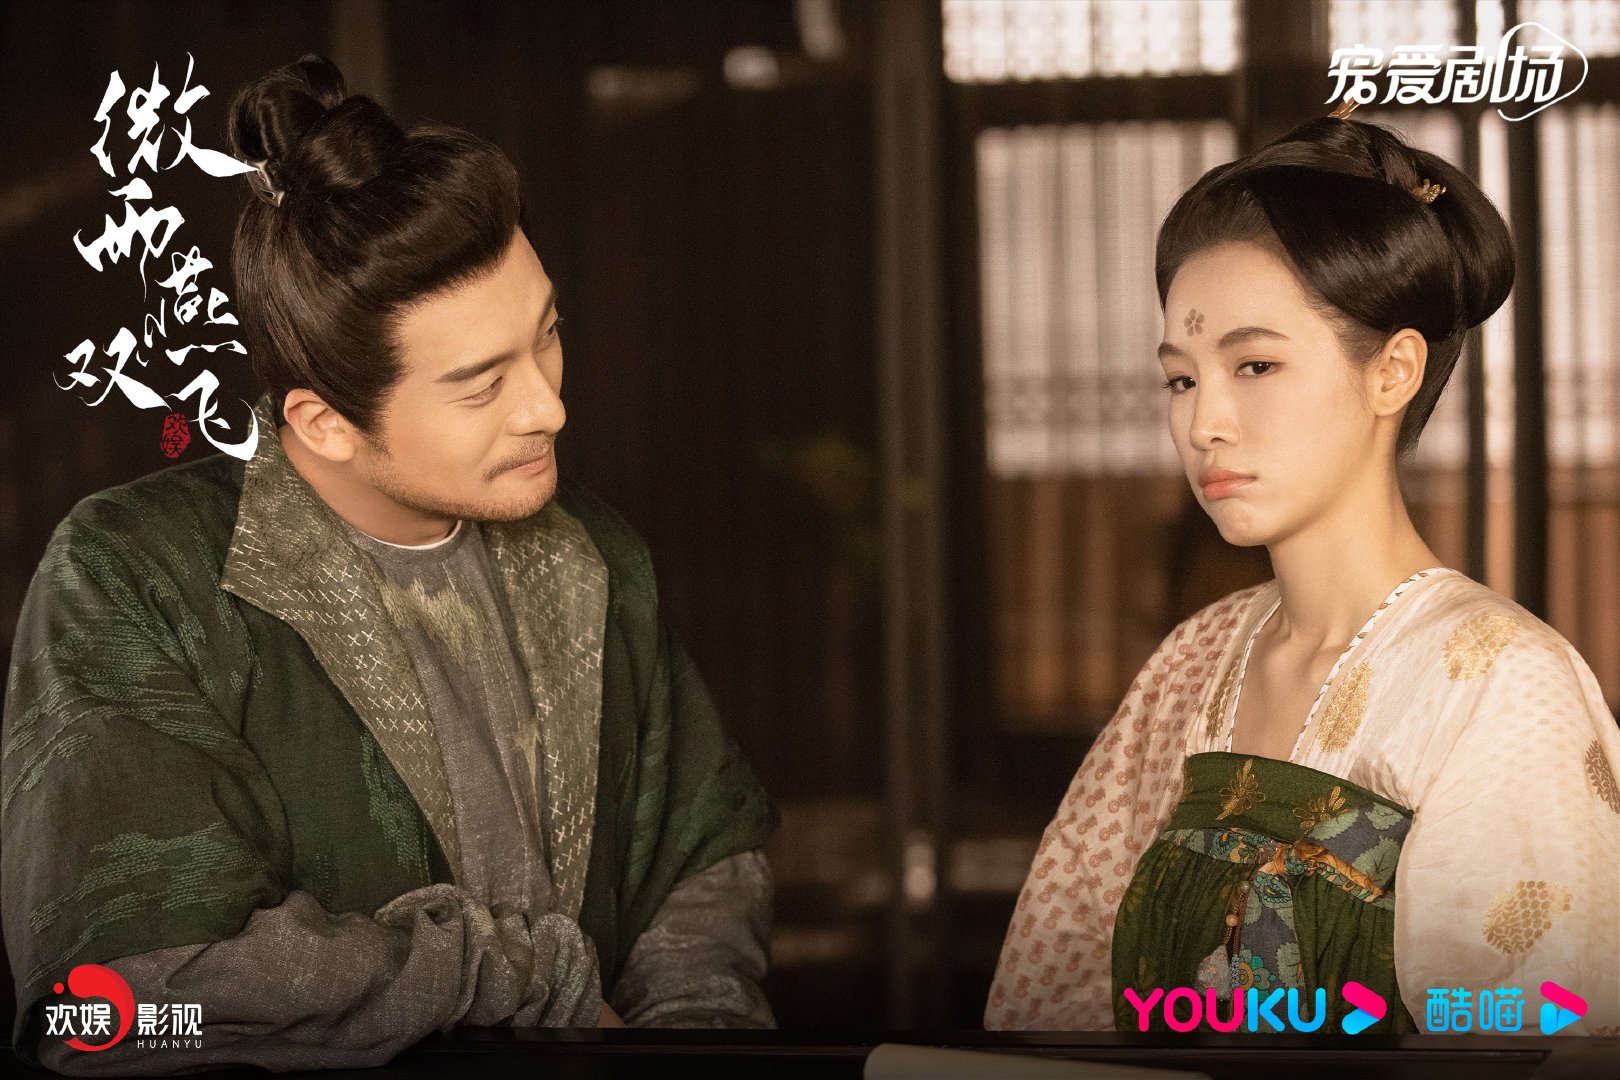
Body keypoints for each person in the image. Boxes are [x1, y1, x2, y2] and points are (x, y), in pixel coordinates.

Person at [3, 55, 778, 1073]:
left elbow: (703, 868)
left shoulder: (594, 553)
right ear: (323, 422)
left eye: (547, 334)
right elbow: (107, 1013)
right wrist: (501, 976)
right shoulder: (137, 575)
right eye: (480, 384)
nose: (548, 405)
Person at [985, 105, 1620, 1036]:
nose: (1204, 424)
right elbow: (1057, 987)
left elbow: (1540, 1026)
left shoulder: (1496, 678)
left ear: (1393, 372)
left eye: (1254, 366)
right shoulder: (1193, 660)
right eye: (1181, 378)